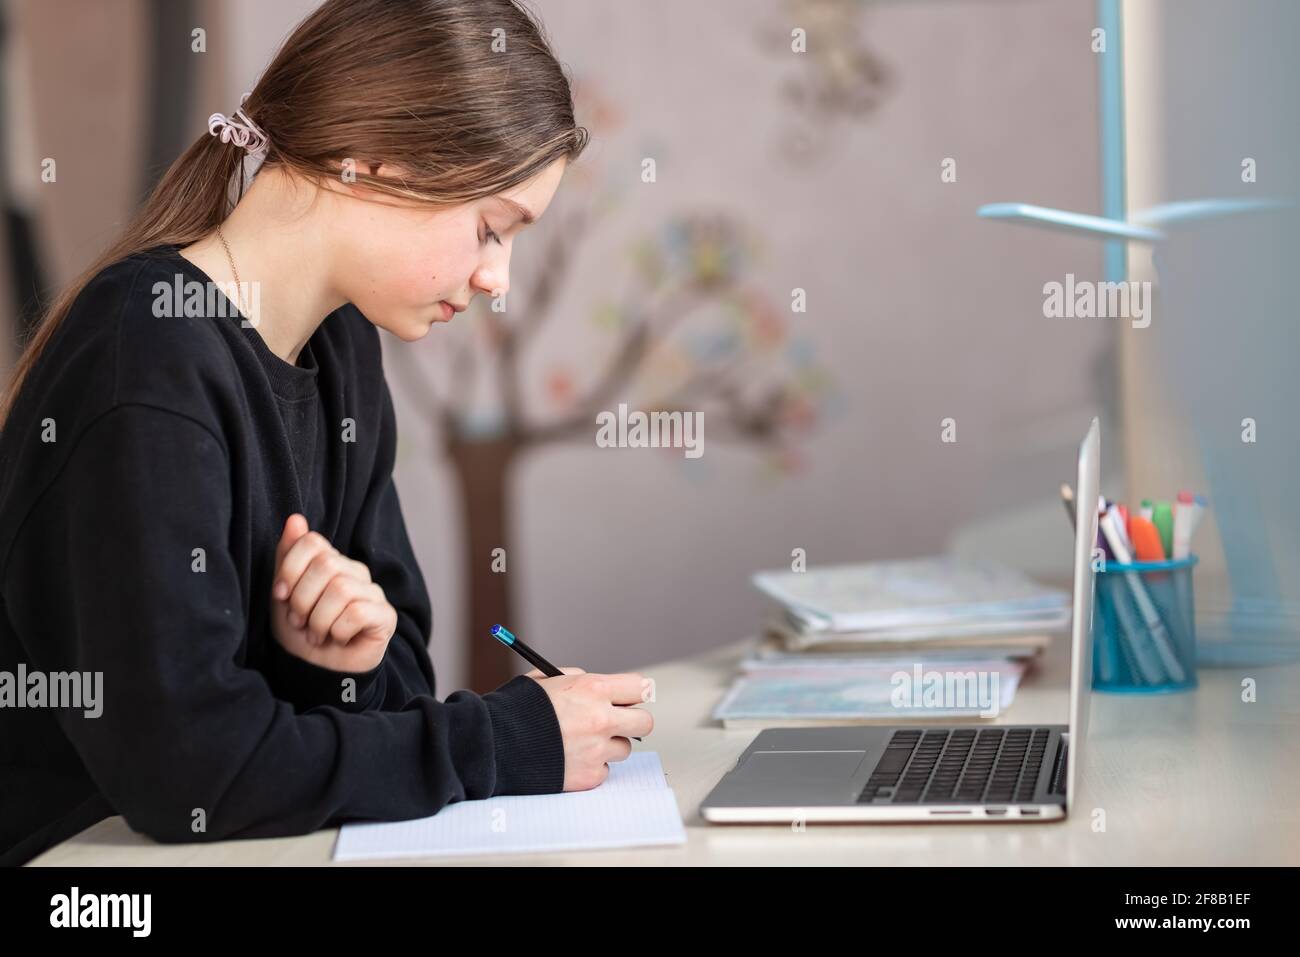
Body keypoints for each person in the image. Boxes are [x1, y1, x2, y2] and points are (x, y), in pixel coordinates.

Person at [0, 0, 652, 867]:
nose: (498, 278)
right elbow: (188, 774)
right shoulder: (147, 359)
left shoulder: (343, 347)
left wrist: (338, 663)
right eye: (492, 228)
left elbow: (400, 686)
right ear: (375, 159)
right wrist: (502, 741)